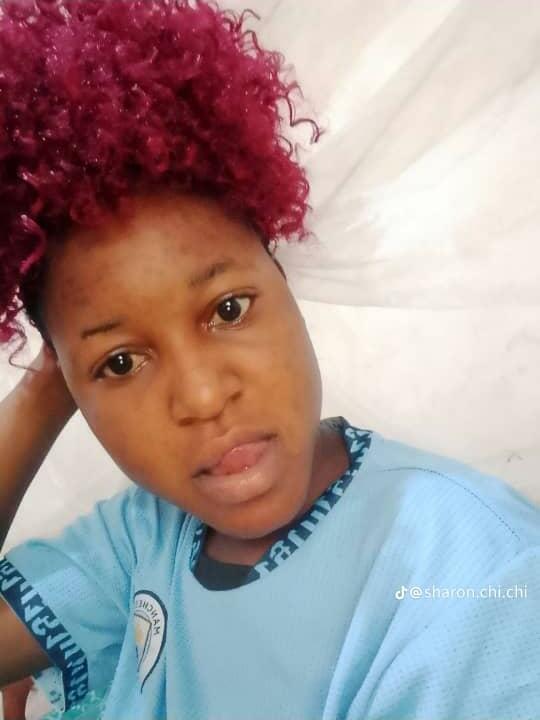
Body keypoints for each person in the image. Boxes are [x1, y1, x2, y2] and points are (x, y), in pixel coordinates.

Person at [0, 1, 539, 719]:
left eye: (228, 309)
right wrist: (45, 387)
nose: (202, 396)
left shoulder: (475, 575)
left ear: (282, 280)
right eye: (121, 364)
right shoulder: (144, 536)